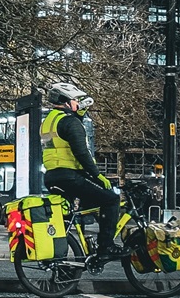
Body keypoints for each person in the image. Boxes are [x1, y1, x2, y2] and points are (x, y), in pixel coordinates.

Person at [40, 81, 124, 261]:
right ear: (66, 101)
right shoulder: (69, 122)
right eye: (76, 100)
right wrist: (98, 175)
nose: (78, 104)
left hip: (52, 176)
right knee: (111, 199)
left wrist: (77, 117)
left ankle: (74, 256)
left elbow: (61, 143)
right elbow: (81, 152)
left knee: (83, 209)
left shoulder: (49, 121)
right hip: (70, 175)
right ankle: (105, 247)